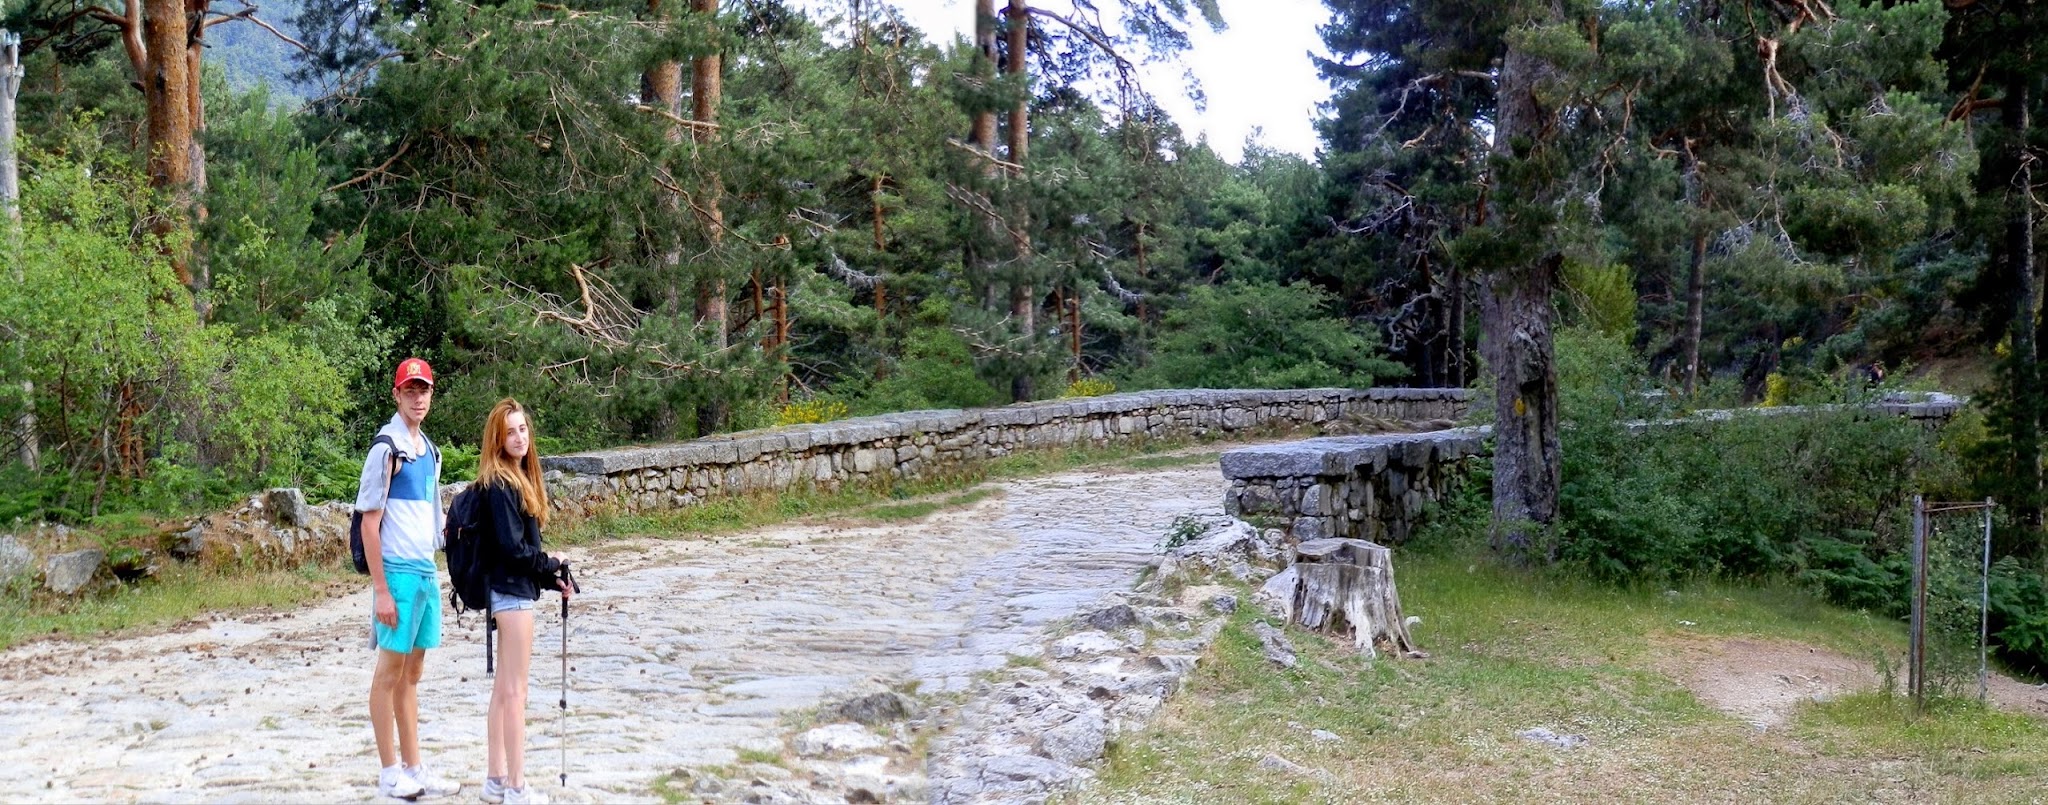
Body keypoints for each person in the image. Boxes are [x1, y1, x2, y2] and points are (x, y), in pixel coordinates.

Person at [354, 357, 462, 801]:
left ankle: (414, 768)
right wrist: (381, 590)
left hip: (424, 572)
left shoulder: (430, 451)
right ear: (396, 395)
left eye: (425, 391)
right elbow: (368, 523)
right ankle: (388, 772)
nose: (418, 398)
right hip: (397, 574)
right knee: (388, 673)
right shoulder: (386, 449)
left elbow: (433, 519)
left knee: (412, 674)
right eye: (410, 390)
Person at [473, 399, 573, 805]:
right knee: (516, 692)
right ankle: (517, 787)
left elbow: (514, 551)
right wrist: (553, 563)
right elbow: (514, 551)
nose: (519, 437)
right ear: (497, 438)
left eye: (523, 430)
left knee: (503, 690)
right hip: (511, 596)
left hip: (511, 590)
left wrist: (553, 579)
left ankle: (495, 780)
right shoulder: (500, 484)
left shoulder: (513, 478)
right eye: (510, 431)